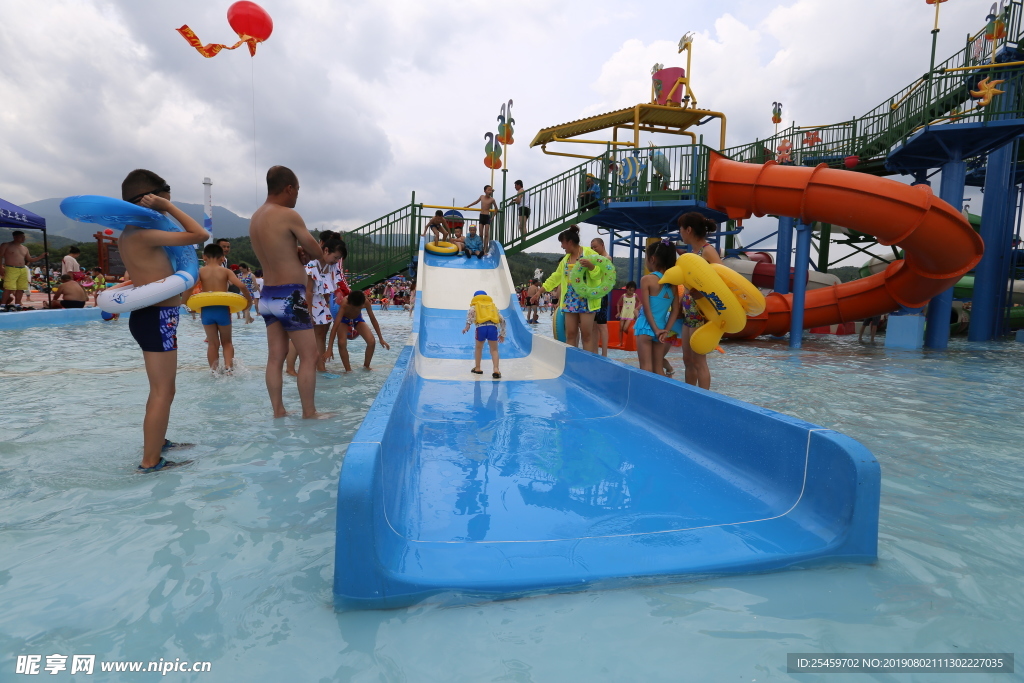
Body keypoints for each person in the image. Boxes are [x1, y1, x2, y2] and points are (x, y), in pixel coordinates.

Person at [118, 168, 209, 471]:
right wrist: (168, 208)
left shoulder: (129, 234)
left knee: (162, 388)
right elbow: (200, 235)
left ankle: (158, 442)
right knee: (163, 390)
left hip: (153, 317)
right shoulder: (144, 233)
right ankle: (150, 461)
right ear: (150, 200)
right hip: (158, 318)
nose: (167, 205)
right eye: (163, 199)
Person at [248, 165, 332, 419]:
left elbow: (278, 251)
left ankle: (279, 411)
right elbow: (319, 255)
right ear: (289, 188)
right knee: (309, 355)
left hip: (268, 296)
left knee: (275, 357)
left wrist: (294, 251)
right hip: (289, 296)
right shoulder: (288, 214)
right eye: (297, 190)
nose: (297, 196)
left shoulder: (256, 217)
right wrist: (308, 250)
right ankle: (310, 412)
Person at [541, 225, 615, 353]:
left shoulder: (589, 253)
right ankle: (571, 365)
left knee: (587, 335)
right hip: (570, 299)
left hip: (586, 299)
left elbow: (600, 273)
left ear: (569, 242)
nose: (561, 246)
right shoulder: (565, 259)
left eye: (562, 243)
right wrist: (539, 292)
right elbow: (556, 277)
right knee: (570, 334)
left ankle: (586, 365)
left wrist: (591, 266)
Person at [675, 212, 723, 390]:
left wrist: (703, 294)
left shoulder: (707, 251)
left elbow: (723, 278)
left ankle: (704, 398)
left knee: (699, 360)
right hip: (689, 310)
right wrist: (681, 303)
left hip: (701, 311)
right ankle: (690, 395)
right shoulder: (693, 253)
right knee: (687, 359)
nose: (679, 232)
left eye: (680, 228)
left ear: (688, 229)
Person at [197, 243, 252, 374]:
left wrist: (187, 303)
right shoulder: (226, 271)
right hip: (222, 310)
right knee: (227, 342)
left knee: (212, 343)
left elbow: (188, 287)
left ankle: (213, 371)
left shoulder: (200, 271)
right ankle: (228, 369)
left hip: (206, 310)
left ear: (204, 257)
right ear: (223, 258)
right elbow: (242, 286)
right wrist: (248, 302)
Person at [634, 241, 681, 375]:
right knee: (658, 369)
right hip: (662, 328)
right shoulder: (673, 284)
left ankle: (646, 396)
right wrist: (665, 331)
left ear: (652, 259)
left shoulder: (647, 279)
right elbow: (675, 311)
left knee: (645, 368)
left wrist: (654, 329)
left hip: (646, 327)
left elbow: (647, 309)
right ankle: (661, 395)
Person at [305, 238, 346, 373]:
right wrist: (309, 312)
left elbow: (329, 290)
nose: (336, 261)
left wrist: (329, 306)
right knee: (309, 336)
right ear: (326, 250)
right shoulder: (312, 265)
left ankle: (320, 366)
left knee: (321, 334)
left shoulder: (331, 266)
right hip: (309, 302)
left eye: (338, 258)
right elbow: (309, 291)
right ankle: (314, 367)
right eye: (335, 257)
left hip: (322, 302)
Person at [323, 290, 390, 371]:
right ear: (349, 303)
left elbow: (373, 319)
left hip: (357, 319)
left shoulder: (366, 302)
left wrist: (381, 338)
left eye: (359, 308)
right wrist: (329, 348)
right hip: (343, 320)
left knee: (371, 341)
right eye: (354, 307)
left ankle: (366, 366)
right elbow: (335, 326)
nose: (356, 309)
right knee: (341, 343)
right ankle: (348, 370)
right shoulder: (345, 303)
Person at [462, 289, 506, 379]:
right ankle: (496, 369)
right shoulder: (492, 307)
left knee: (478, 348)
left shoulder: (474, 306)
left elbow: (470, 316)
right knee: (494, 350)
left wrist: (467, 326)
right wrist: (502, 333)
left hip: (480, 327)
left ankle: (478, 368)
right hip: (492, 327)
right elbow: (502, 320)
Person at [1, 231, 47, 308]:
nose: (23, 238)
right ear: (15, 237)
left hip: (22, 269)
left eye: (24, 237)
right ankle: (2, 305)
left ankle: (17, 304)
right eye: (21, 236)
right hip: (11, 268)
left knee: (21, 288)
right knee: (8, 288)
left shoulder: (25, 248)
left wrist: (41, 256)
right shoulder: (6, 245)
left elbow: (30, 259)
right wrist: (0, 267)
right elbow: (0, 256)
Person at [590, 237, 612, 356]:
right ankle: (594, 351)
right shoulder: (595, 259)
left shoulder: (607, 258)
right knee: (593, 325)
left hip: (602, 294)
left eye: (595, 247)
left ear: (602, 245)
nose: (593, 249)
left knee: (602, 324)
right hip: (594, 294)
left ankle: (604, 353)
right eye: (592, 247)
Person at [465, 185, 498, 253]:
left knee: (486, 234)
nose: (490, 191)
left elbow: (496, 208)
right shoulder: (482, 197)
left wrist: (493, 217)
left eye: (491, 190)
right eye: (488, 190)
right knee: (481, 234)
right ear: (485, 191)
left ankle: (485, 249)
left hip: (487, 217)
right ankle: (481, 248)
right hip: (481, 216)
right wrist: (468, 206)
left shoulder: (492, 199)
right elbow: (476, 202)